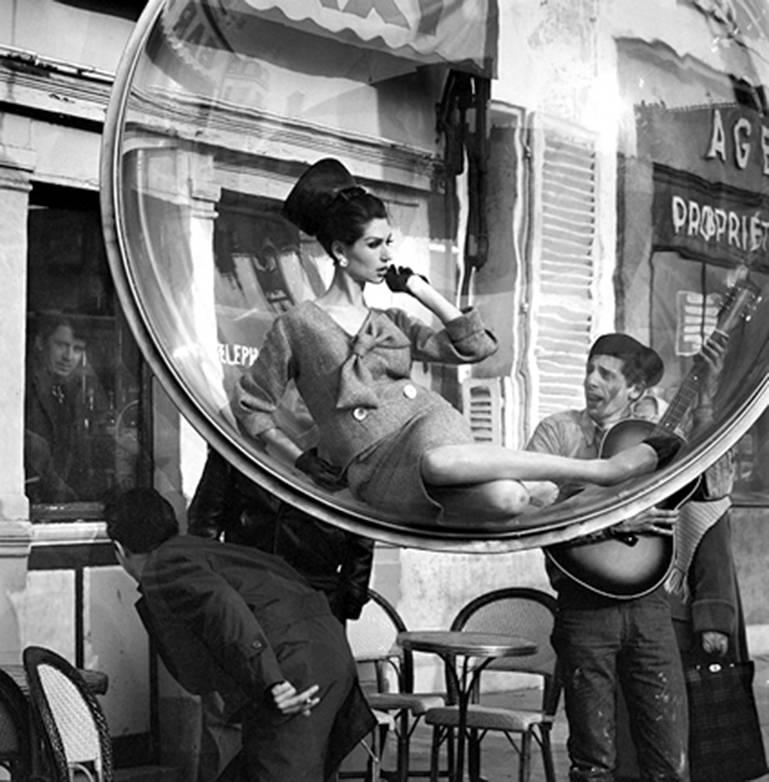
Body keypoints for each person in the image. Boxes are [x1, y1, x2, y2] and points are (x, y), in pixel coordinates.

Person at [232, 159, 673, 528]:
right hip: (374, 464)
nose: (387, 255)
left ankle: (601, 482)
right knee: (505, 498)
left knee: (489, 491)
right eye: (373, 244)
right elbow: (252, 406)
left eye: (389, 242)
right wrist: (298, 459)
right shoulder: (299, 324)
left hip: (429, 424)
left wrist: (423, 292)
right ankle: (595, 475)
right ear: (339, 251)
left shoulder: (392, 319)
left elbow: (477, 348)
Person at [105, 487, 376, 782]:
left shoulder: (163, 565)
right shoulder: (202, 550)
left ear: (120, 550)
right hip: (322, 649)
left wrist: (270, 681)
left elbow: (224, 607)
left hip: (290, 667)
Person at [526, 332, 692, 782]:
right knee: (592, 762)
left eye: (606, 374)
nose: (591, 381)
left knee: (670, 759)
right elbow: (530, 511)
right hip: (585, 609)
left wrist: (705, 409)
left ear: (636, 390)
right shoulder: (558, 432)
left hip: (651, 609)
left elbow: (707, 487)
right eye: (589, 369)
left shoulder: (652, 440)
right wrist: (611, 524)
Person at [187, 446, 375, 782]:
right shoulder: (245, 438)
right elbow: (205, 520)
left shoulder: (341, 443)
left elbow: (363, 526)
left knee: (300, 718)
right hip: (264, 594)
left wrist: (346, 602)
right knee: (239, 712)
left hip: (301, 596)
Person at [24, 313, 90, 502]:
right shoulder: (21, 386)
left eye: (77, 349)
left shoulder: (71, 391)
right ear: (40, 343)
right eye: (61, 345)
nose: (68, 357)